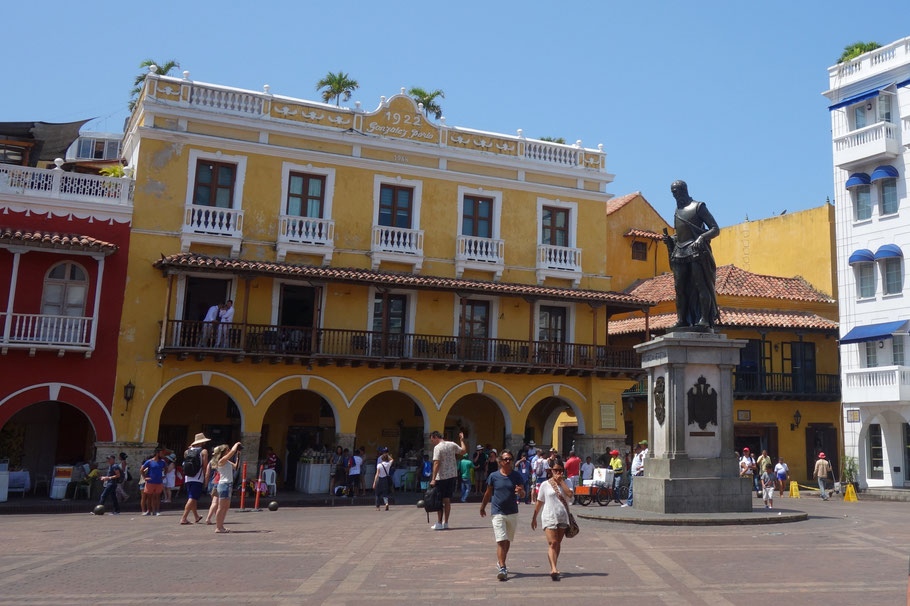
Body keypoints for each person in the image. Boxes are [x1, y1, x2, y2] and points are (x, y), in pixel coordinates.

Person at [661, 180, 720, 329]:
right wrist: (670, 240)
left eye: (677, 192)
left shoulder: (699, 207)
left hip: (696, 251)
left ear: (684, 190)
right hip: (680, 251)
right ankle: (682, 320)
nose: (675, 195)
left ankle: (705, 319)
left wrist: (702, 238)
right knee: (680, 288)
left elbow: (715, 229)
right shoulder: (677, 210)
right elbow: (680, 234)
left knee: (701, 286)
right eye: (673, 192)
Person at [480, 449, 525, 581]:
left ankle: (501, 561)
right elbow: (488, 493)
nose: (508, 461)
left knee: (507, 541)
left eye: (510, 459)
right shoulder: (493, 476)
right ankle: (502, 566)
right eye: (505, 459)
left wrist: (521, 492)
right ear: (500, 462)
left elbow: (523, 494)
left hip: (512, 512)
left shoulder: (516, 476)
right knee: (500, 540)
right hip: (497, 512)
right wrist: (482, 507)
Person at [531, 460, 574, 581]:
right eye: (556, 470)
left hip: (562, 517)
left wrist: (562, 482)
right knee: (553, 543)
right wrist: (534, 517)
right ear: (551, 471)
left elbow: (570, 495)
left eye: (561, 470)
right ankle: (553, 568)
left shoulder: (568, 482)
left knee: (557, 543)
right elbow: (540, 502)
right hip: (549, 516)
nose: (558, 472)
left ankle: (555, 564)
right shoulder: (545, 484)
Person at [429, 430, 467, 530]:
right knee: (447, 500)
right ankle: (446, 522)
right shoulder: (452, 444)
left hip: (441, 477)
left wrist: (433, 479)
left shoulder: (437, 447)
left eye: (432, 440)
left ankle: (439, 523)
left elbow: (436, 463)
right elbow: (463, 451)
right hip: (452, 476)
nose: (433, 442)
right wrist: (461, 440)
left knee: (439, 500)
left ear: (435, 437)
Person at [179, 433, 210, 525]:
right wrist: (205, 478)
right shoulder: (203, 451)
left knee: (192, 497)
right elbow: (205, 466)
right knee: (192, 498)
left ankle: (196, 516)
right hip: (198, 477)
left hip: (188, 477)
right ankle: (184, 518)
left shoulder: (187, 451)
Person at [212, 442, 241, 533]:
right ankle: (218, 527)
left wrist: (238, 456)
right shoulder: (221, 460)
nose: (229, 451)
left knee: (226, 507)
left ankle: (221, 526)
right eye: (227, 450)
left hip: (228, 485)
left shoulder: (226, 461)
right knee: (221, 507)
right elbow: (231, 452)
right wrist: (236, 445)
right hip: (224, 485)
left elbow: (236, 467)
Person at [141, 448, 166, 516]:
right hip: (150, 482)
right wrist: (145, 478)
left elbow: (165, 468)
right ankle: (149, 510)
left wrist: (164, 475)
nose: (163, 455)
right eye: (161, 453)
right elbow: (142, 469)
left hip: (159, 482)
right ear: (157, 453)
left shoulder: (163, 462)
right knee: (149, 497)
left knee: (157, 497)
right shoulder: (149, 462)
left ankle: (157, 511)